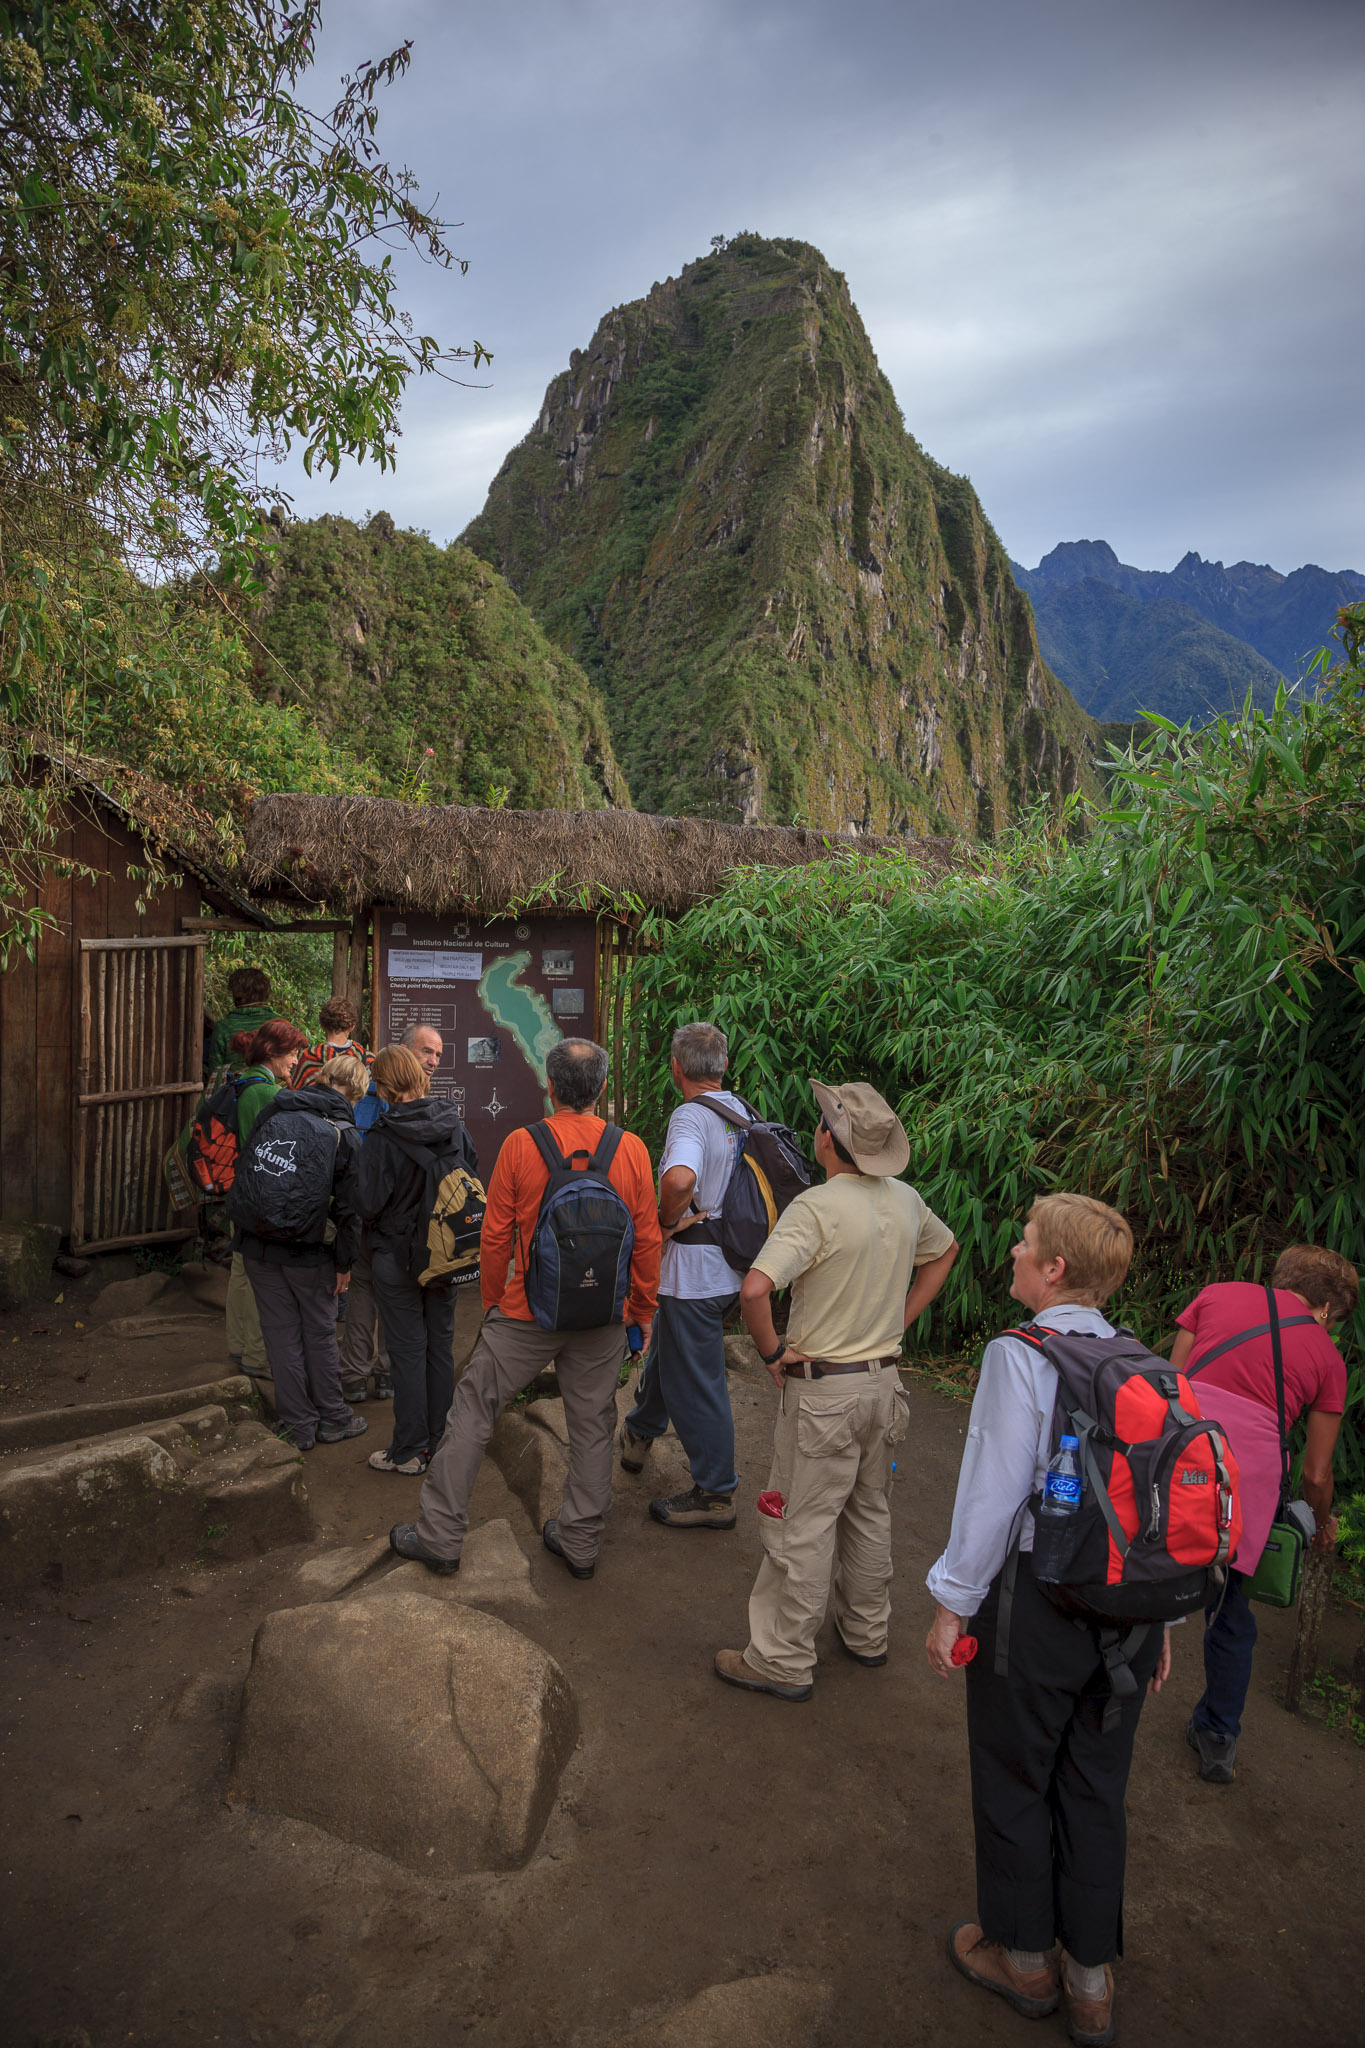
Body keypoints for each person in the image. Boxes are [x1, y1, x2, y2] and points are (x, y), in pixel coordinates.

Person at [925, 1193, 1169, 2048]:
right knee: (1096, 1789)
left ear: (1054, 1270)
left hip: (1036, 1604)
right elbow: (1155, 1516)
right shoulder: (1143, 1363)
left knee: (1014, 1775)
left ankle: (1023, 1960)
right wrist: (1160, 1627)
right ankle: (1091, 1984)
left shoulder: (1020, 1355)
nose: (1015, 1256)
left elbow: (991, 1496)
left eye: (1025, 1245)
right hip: (1128, 1619)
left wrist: (952, 1603)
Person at [713, 1081, 958, 1701]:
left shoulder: (816, 1208)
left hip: (825, 1392)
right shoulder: (904, 1200)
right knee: (869, 1512)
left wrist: (771, 1352)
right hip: (885, 1386)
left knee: (802, 1523)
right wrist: (899, 1319)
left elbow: (754, 1290)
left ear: (829, 1139)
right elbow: (946, 1249)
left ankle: (781, 1658)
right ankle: (866, 1633)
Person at [390, 1037, 661, 1578]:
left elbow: (494, 1238)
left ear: (551, 1086)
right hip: (602, 1315)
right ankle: (581, 1544)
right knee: (591, 1425)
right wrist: (640, 1311)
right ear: (602, 1090)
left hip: (523, 1314)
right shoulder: (629, 1149)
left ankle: (440, 1537)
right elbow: (648, 1240)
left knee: (471, 1413)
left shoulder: (521, 1144)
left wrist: (496, 1305)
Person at [1171, 1243, 1357, 1785]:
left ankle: (1102, 1685)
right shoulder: (1327, 1357)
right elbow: (1317, 1475)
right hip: (1243, 1485)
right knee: (1230, 1614)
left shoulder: (1215, 1296)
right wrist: (1320, 1524)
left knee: (1136, 1569)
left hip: (1177, 1454)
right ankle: (1218, 1737)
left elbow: (1168, 1380)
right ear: (1326, 1308)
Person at [619, 1021, 748, 1529]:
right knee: (672, 1353)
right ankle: (640, 1431)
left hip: (695, 1274)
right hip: (732, 1265)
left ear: (676, 1069)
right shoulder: (741, 1110)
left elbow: (678, 1178)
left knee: (698, 1381)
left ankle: (716, 1493)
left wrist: (666, 1220)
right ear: (724, 1065)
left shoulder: (691, 1117)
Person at [235, 1053, 370, 1452]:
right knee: (319, 1332)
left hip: (257, 1243)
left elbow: (249, 1167)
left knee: (279, 1335)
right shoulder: (346, 1134)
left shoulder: (275, 1108)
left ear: (323, 1077)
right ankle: (333, 1416)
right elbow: (349, 1211)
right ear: (356, 1094)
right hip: (311, 1251)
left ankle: (297, 1425)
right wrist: (345, 1262)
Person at [356, 1042, 479, 1476]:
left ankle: (409, 1449)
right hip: (446, 1252)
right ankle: (441, 1442)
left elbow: (367, 1203)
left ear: (384, 1086)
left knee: (407, 1352)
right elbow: (471, 1173)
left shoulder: (381, 1137)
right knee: (440, 1347)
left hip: (396, 1256)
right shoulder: (454, 1125)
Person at [293, 999, 390, 1403]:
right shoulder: (366, 1056)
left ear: (322, 1022)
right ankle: (383, 1370)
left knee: (336, 1242)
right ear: (352, 1024)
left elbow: (297, 1097)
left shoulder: (312, 1057)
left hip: (322, 1158)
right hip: (363, 1155)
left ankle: (338, 1351)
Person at [225, 1020, 308, 1380]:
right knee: (261, 1278)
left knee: (241, 1274)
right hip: (260, 1196)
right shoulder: (265, 1093)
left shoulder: (242, 1080)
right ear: (273, 1052)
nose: (295, 1060)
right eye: (292, 1053)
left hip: (239, 1192)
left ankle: (240, 1348)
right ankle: (259, 1358)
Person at [205, 967, 287, 1075]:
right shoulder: (282, 1024)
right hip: (277, 1089)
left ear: (236, 995)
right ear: (266, 994)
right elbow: (292, 1067)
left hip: (234, 1089)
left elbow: (215, 1072)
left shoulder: (224, 1027)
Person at [290, 996, 371, 1091]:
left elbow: (296, 1094)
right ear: (352, 1027)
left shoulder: (309, 1057)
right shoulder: (366, 1058)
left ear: (322, 1025)